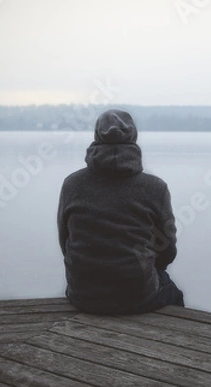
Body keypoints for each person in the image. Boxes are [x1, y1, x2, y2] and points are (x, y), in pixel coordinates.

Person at [57, 109, 184, 314]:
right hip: (138, 295)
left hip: (83, 295)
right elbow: (167, 249)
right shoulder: (155, 188)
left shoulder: (72, 185)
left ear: (97, 136)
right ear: (133, 136)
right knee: (174, 295)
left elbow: (65, 241)